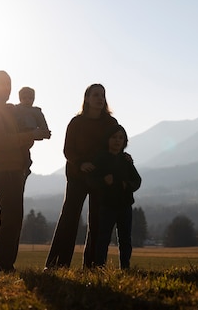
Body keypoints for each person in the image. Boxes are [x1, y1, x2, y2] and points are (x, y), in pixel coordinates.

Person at [0, 70, 51, 272]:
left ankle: (4, 265)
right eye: (2, 83)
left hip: (15, 169)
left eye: (9, 84)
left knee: (13, 218)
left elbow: (17, 138)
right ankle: (1, 266)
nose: (7, 88)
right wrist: (31, 134)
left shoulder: (9, 110)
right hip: (4, 170)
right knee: (11, 218)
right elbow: (1, 141)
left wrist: (32, 136)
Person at [45, 83, 118, 269]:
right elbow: (68, 149)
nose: (100, 98)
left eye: (102, 95)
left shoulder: (111, 124)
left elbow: (117, 145)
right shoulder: (76, 123)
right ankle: (57, 264)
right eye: (95, 95)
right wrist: (80, 163)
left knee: (97, 221)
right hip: (77, 176)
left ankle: (93, 265)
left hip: (100, 177)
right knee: (69, 218)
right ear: (86, 98)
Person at [90, 124, 141, 269]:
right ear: (107, 139)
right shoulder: (100, 159)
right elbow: (91, 180)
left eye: (120, 138)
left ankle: (125, 267)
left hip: (125, 205)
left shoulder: (126, 160)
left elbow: (137, 180)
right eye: (114, 137)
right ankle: (100, 267)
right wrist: (103, 181)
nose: (117, 141)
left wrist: (127, 185)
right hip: (107, 205)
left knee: (125, 240)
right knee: (103, 239)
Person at [13, 87, 49, 177]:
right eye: (24, 98)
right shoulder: (15, 109)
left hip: (29, 136)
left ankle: (25, 168)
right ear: (20, 99)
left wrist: (44, 133)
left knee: (25, 155)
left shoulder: (36, 112)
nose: (27, 101)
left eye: (30, 98)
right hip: (18, 136)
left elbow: (43, 125)